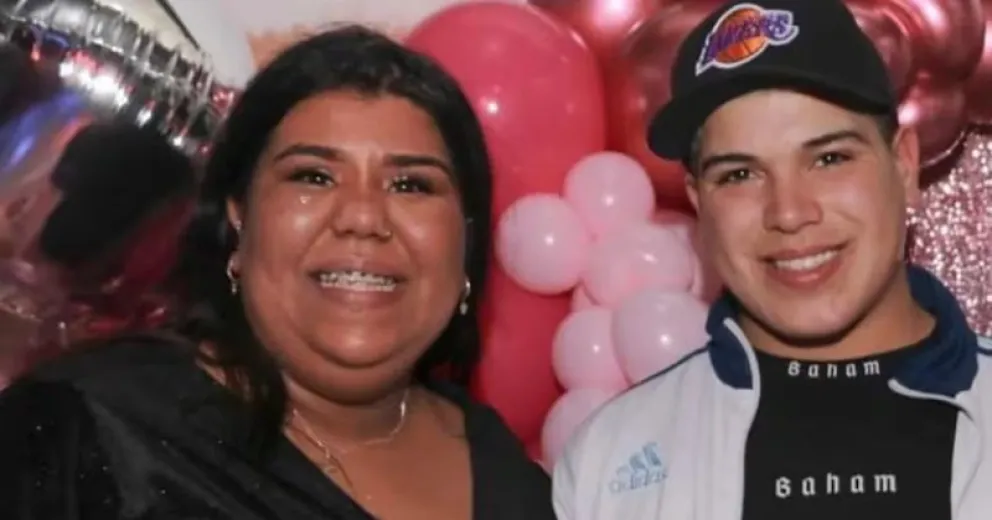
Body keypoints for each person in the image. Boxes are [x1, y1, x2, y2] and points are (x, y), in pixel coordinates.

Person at [0, 26, 553, 520]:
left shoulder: (504, 475)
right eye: (313, 176)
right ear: (239, 218)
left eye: (411, 185)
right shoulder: (86, 426)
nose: (363, 218)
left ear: (465, 239)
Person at [552, 1, 992, 519]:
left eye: (829, 159)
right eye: (739, 175)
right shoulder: (606, 462)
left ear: (904, 166)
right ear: (698, 201)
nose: (788, 212)